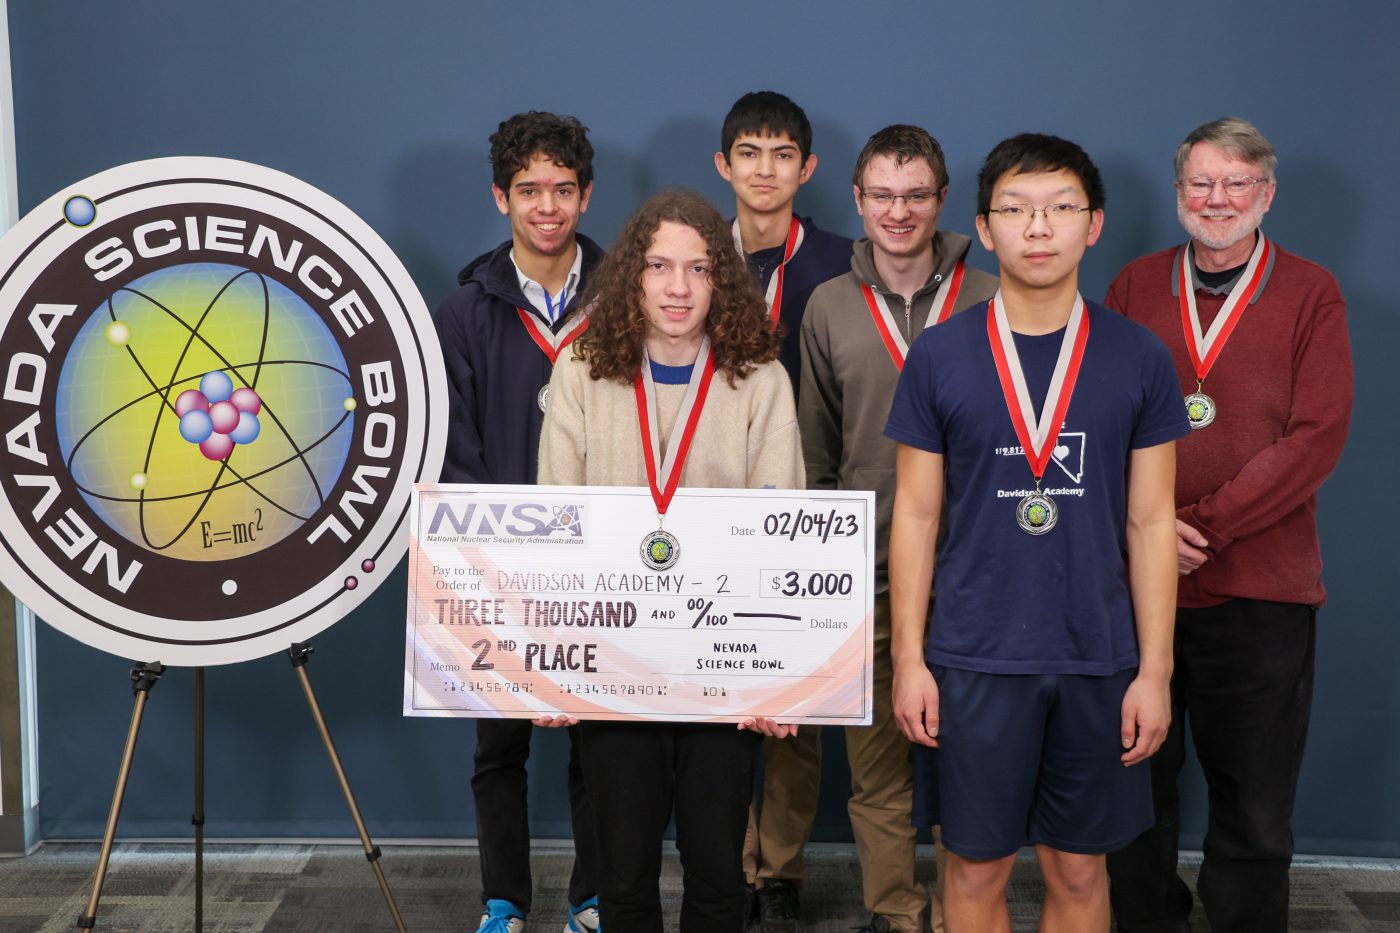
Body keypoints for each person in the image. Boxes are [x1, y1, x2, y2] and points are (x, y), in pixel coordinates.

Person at [885, 133, 1190, 931]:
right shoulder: (941, 354)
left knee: (1081, 874)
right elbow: (915, 514)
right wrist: (909, 658)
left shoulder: (1138, 356)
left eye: (1061, 209)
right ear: (984, 228)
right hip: (974, 657)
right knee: (974, 871)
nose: (1039, 228)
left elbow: (1153, 520)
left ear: (1095, 224)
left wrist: (1154, 670)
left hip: (1097, 657)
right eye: (1015, 210)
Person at [1104, 117, 1353, 933]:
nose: (1217, 199)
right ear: (1178, 194)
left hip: (1261, 590)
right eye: (1200, 183)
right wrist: (1144, 529)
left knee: (1253, 803)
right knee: (1136, 788)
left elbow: (1317, 437)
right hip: (1141, 587)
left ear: (1266, 194)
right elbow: (1096, 419)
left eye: (1236, 182)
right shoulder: (1134, 287)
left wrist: (1198, 527)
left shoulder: (1312, 292)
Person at [538, 189, 804, 933]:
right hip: (614, 662)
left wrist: (777, 677)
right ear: (633, 277)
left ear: (721, 279)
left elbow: (782, 536)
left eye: (697, 268)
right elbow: (555, 526)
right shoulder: (580, 374)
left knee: (719, 871)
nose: (678, 287)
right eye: (659, 266)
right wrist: (556, 668)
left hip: (723, 668)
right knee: (621, 874)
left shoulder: (761, 379)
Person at [798, 124, 998, 933]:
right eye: (882, 195)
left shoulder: (990, 294)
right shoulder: (828, 304)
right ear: (857, 200)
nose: (899, 211)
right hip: (868, 571)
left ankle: (961, 915)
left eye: (916, 195)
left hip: (979, 572)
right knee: (877, 764)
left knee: (971, 768)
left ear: (942, 200)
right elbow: (813, 452)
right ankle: (895, 910)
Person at [434, 110, 602, 933]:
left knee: (602, 746)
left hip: (605, 563)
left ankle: (593, 897)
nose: (547, 206)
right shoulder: (463, 312)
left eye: (563, 189)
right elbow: (454, 449)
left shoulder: (629, 298)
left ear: (586, 194)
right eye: (529, 190)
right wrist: (495, 554)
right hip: (497, 565)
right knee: (499, 746)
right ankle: (503, 900)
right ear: (501, 196)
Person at [713, 89, 852, 933]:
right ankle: (726, 863)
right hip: (707, 503)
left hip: (811, 504)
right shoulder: (687, 252)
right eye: (749, 154)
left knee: (795, 709)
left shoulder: (844, 260)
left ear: (808, 168)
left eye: (782, 155)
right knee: (718, 696)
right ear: (724, 165)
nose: (766, 171)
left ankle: (782, 872)